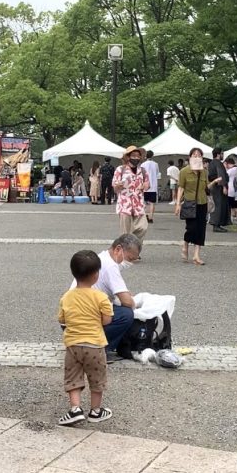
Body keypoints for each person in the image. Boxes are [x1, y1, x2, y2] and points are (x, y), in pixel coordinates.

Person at [57, 250, 114, 426]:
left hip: (73, 345)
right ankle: (95, 411)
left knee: (73, 376)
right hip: (95, 345)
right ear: (96, 275)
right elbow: (107, 319)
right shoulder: (101, 297)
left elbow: (62, 319)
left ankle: (75, 409)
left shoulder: (67, 297)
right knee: (97, 378)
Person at [76, 234, 141, 362]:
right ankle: (99, 348)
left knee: (118, 308)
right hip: (86, 319)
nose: (130, 263)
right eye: (129, 258)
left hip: (74, 318)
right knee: (126, 314)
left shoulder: (102, 257)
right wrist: (134, 303)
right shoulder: (110, 266)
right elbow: (127, 302)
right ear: (118, 249)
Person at [175, 147, 208, 265]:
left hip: (202, 202)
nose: (197, 157)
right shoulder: (184, 171)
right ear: (190, 158)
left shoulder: (204, 171)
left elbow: (206, 187)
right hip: (189, 203)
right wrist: (178, 204)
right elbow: (181, 188)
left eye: (199, 155)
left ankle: (196, 255)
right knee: (191, 228)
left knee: (201, 229)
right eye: (194, 155)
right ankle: (185, 244)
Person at [113, 146, 149, 242]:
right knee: (125, 232)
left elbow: (147, 184)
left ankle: (132, 246)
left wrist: (145, 185)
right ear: (128, 157)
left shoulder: (143, 171)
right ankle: (126, 253)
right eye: (133, 156)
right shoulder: (121, 169)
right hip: (125, 204)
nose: (136, 158)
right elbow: (114, 186)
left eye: (138, 156)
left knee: (143, 227)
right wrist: (118, 185)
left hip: (139, 204)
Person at [208, 148, 230, 233]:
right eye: (222, 153)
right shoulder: (218, 163)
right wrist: (224, 186)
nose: (222, 155)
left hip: (215, 186)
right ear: (218, 154)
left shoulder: (211, 163)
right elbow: (221, 175)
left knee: (217, 205)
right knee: (219, 205)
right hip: (218, 187)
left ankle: (217, 224)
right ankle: (216, 225)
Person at [141, 150, 160, 223]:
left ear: (146, 156)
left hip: (145, 186)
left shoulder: (143, 164)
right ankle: (151, 217)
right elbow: (158, 174)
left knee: (144, 202)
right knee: (152, 203)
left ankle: (144, 215)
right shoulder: (155, 164)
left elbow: (141, 175)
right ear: (152, 156)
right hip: (153, 186)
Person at [225, 157, 237, 225]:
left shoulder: (230, 170)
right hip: (235, 190)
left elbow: (225, 176)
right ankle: (231, 220)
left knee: (232, 206)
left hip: (230, 190)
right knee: (234, 206)